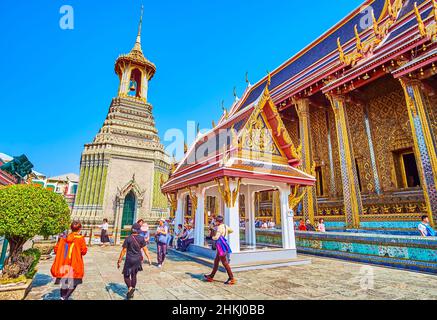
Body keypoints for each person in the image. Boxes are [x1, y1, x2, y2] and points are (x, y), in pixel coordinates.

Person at [51, 220, 88, 300]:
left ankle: (62, 297)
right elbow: (84, 251)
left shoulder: (63, 238)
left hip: (64, 263)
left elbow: (56, 250)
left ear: (71, 228)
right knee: (75, 282)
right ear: (79, 229)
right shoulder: (80, 238)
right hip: (75, 263)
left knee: (64, 282)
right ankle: (65, 297)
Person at [117, 223, 149, 299]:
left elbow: (124, 250)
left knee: (126, 275)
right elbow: (145, 249)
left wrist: (119, 260)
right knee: (134, 275)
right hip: (137, 259)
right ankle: (133, 289)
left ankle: (130, 288)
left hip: (129, 259)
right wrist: (149, 258)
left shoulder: (128, 238)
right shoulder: (141, 238)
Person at [203, 216, 235, 285]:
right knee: (216, 261)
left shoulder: (220, 227)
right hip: (222, 245)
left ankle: (231, 278)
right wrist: (224, 235)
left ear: (218, 221)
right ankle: (211, 276)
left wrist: (211, 236)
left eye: (216, 221)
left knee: (224, 262)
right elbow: (231, 230)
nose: (215, 222)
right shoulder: (225, 226)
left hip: (220, 246)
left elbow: (216, 237)